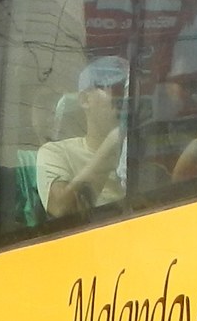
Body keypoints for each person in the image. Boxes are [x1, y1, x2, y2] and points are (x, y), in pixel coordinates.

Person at [36, 56, 130, 220]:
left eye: (130, 92)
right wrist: (111, 145)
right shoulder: (56, 153)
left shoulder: (143, 154)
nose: (124, 100)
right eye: (116, 90)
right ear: (85, 99)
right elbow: (62, 211)